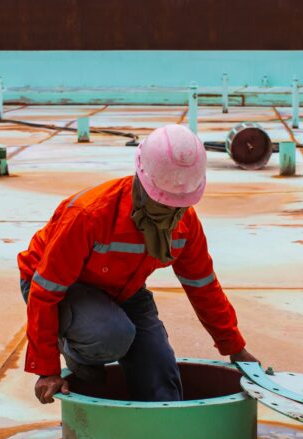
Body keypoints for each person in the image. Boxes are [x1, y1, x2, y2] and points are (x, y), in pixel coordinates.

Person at [17, 124, 259, 404]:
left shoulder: (184, 225)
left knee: (160, 372)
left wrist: (235, 347)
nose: (172, 211)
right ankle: (73, 347)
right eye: (164, 202)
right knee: (111, 334)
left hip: (123, 290)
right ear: (143, 181)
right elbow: (46, 291)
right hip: (54, 286)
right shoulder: (91, 216)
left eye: (180, 204)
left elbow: (203, 287)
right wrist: (46, 368)